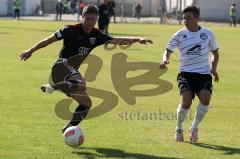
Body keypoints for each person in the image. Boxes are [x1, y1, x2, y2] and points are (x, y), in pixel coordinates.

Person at [20, 5, 153, 133]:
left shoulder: (96, 35)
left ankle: (69, 129)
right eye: (87, 18)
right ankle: (55, 86)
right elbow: (48, 40)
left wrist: (137, 39)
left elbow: (116, 40)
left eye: (93, 19)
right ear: (82, 16)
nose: (90, 22)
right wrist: (30, 50)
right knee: (82, 83)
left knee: (86, 103)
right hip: (61, 66)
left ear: (97, 19)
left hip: (72, 73)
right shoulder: (69, 29)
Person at [159, 6, 219, 143]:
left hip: (203, 74)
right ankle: (179, 128)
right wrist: (165, 59)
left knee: (205, 99)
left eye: (188, 18)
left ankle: (194, 128)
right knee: (186, 102)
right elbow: (167, 50)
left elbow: (215, 53)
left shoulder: (208, 33)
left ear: (197, 18)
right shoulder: (179, 34)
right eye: (183, 18)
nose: (185, 20)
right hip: (186, 74)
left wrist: (214, 68)